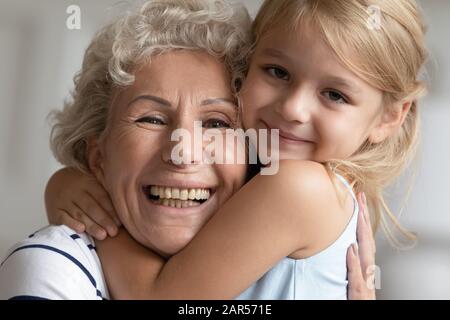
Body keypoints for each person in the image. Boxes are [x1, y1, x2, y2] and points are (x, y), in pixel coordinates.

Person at [0, 0, 251, 299]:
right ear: (98, 158)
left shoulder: (284, 259)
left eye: (216, 124)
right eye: (152, 119)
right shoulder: (50, 268)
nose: (183, 152)